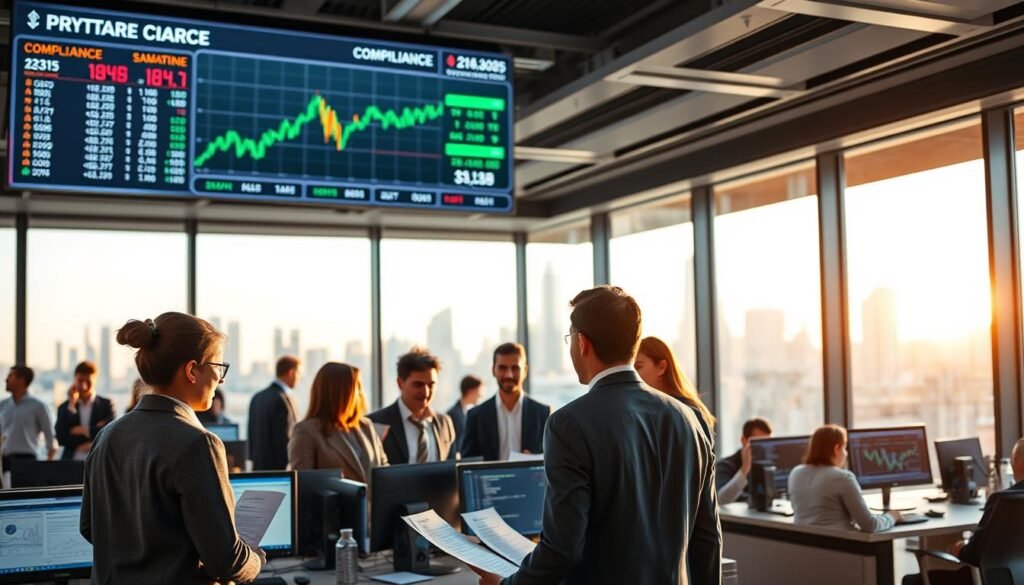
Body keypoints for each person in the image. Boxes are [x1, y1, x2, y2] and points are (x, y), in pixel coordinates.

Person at [472, 286, 721, 585]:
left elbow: (562, 550)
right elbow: (708, 540)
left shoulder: (568, 424)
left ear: (581, 342)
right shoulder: (689, 419)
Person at [81, 313, 262, 584]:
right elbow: (227, 560)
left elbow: (89, 527)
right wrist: (255, 559)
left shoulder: (107, 436)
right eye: (218, 366)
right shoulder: (198, 443)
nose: (221, 379)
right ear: (191, 370)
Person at [902, 437, 1024, 585]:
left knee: (911, 581)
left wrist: (961, 548)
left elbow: (973, 556)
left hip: (986, 579)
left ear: (1016, 462)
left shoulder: (1001, 500)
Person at [789, 424, 901, 532]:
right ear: (837, 448)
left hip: (806, 547)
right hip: (841, 547)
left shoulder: (796, 473)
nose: (846, 453)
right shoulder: (842, 478)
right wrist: (892, 516)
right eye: (845, 448)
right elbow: (870, 525)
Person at [288, 362, 388, 484]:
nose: (361, 393)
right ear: (341, 393)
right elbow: (303, 485)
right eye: (357, 387)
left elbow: (383, 469)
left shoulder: (365, 426)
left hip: (374, 503)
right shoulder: (306, 431)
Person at [462, 343, 551, 461]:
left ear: (525, 370)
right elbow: (467, 463)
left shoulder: (543, 413)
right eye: (502, 368)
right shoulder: (475, 416)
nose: (509, 374)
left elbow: (552, 459)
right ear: (493, 370)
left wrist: (536, 462)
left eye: (515, 368)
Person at [367, 347, 457, 465]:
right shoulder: (375, 423)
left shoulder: (445, 423)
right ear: (400, 383)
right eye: (418, 384)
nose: (426, 392)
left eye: (431, 385)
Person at [634, 336, 715, 438]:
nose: (632, 374)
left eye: (637, 367)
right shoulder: (643, 409)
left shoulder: (686, 413)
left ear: (662, 367)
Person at [55, 361, 116, 461]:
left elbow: (109, 434)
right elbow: (61, 437)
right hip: (70, 462)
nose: (84, 386)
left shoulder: (107, 405)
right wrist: (72, 404)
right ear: (74, 380)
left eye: (88, 382)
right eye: (80, 380)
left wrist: (83, 430)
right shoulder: (65, 407)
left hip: (98, 461)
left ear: (95, 380)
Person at [248, 356, 301, 470]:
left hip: (257, 469)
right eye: (299, 373)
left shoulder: (257, 397)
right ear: (291, 372)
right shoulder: (283, 399)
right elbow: (284, 440)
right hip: (277, 471)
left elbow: (251, 436)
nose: (300, 378)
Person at [1, 365, 56, 470]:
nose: (6, 379)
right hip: (4, 463)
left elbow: (50, 440)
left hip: (28, 463)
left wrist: (47, 469)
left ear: (21, 380)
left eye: (10, 376)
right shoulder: (2, 405)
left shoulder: (39, 406)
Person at [714, 417, 773, 505]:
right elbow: (721, 499)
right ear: (743, 440)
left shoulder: (769, 466)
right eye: (758, 443)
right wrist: (745, 468)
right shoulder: (724, 466)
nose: (762, 449)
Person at [447, 374, 482, 454]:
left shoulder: (469, 412)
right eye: (479, 391)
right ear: (471, 391)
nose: (480, 395)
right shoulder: (452, 415)